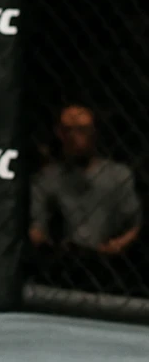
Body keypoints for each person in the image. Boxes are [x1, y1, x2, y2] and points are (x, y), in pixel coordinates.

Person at [29, 104, 142, 266]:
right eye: (68, 130)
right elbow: (37, 225)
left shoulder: (118, 176)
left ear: (94, 132)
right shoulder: (46, 178)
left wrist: (119, 245)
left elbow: (135, 224)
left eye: (82, 129)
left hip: (109, 262)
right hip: (61, 261)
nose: (75, 136)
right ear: (59, 133)